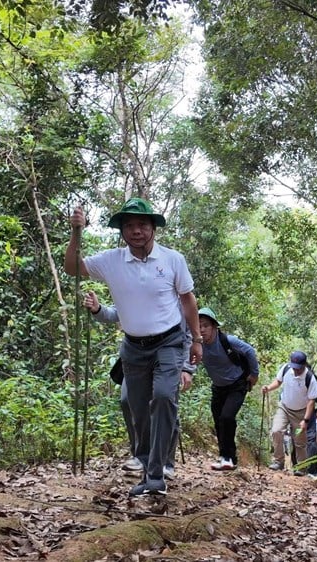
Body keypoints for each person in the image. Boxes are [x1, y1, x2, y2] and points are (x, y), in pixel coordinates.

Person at [65, 198, 202, 496]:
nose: (136, 231)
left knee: (164, 397)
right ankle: (146, 460)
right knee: (137, 408)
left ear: (153, 228)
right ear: (122, 231)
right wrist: (76, 232)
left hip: (169, 342)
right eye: (129, 226)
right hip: (134, 348)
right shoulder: (111, 261)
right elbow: (73, 267)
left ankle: (155, 476)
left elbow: (188, 301)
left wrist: (197, 340)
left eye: (142, 224)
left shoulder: (172, 259)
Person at [83, 291, 193, 480]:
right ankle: (141, 455)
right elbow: (114, 313)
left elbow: (189, 334)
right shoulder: (137, 291)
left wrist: (187, 368)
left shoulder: (179, 300)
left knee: (164, 402)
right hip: (137, 358)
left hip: (169, 355)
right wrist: (97, 309)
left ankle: (166, 462)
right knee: (128, 401)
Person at [195, 307, 260, 471]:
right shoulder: (196, 344)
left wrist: (254, 375)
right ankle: (227, 457)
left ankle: (228, 458)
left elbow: (250, 351)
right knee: (218, 422)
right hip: (218, 388)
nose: (202, 330)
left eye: (206, 326)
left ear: (214, 327)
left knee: (227, 417)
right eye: (199, 326)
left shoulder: (228, 341)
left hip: (237, 385)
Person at [261, 350, 317, 476]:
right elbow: (278, 381)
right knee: (276, 430)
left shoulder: (310, 378)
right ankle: (278, 461)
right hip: (284, 408)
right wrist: (268, 388)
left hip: (301, 413)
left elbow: (311, 401)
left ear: (304, 365)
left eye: (299, 368)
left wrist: (306, 420)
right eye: (294, 367)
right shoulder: (286, 369)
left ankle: (301, 468)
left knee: (299, 441)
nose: (296, 370)